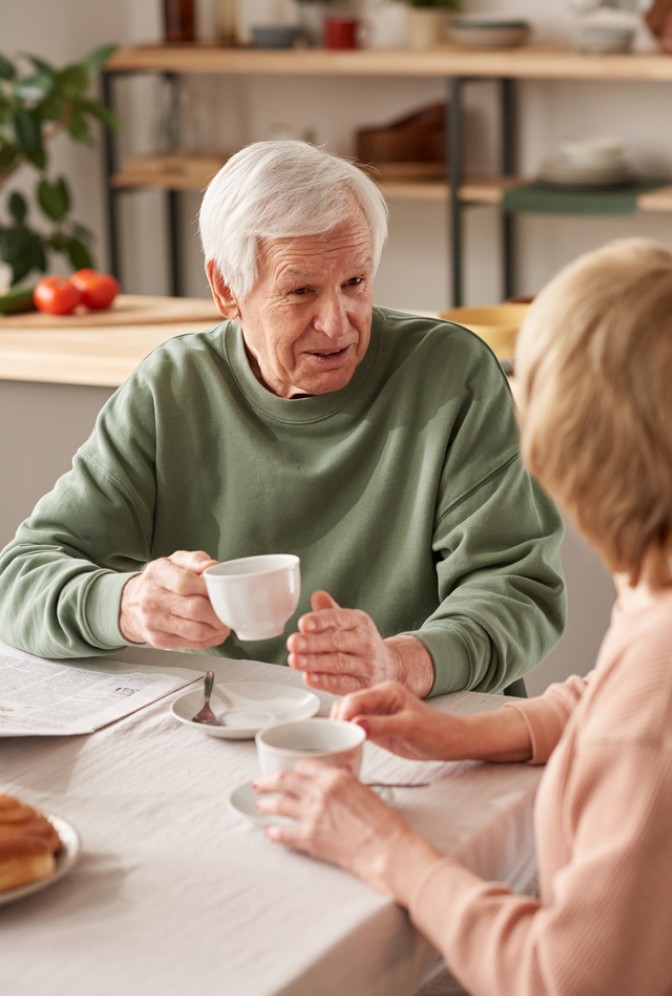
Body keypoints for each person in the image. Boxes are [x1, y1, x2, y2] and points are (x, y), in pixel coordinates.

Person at [254, 238, 672, 996]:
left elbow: (567, 994)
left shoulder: (669, 664)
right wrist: (464, 731)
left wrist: (385, 849)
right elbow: (621, 702)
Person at [0, 140, 565, 699]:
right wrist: (126, 605)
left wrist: (402, 664)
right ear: (227, 288)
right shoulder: (172, 389)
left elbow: (518, 593)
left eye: (355, 283)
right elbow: (18, 580)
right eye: (301, 291)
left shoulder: (450, 374)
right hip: (230, 725)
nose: (338, 324)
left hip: (423, 725)